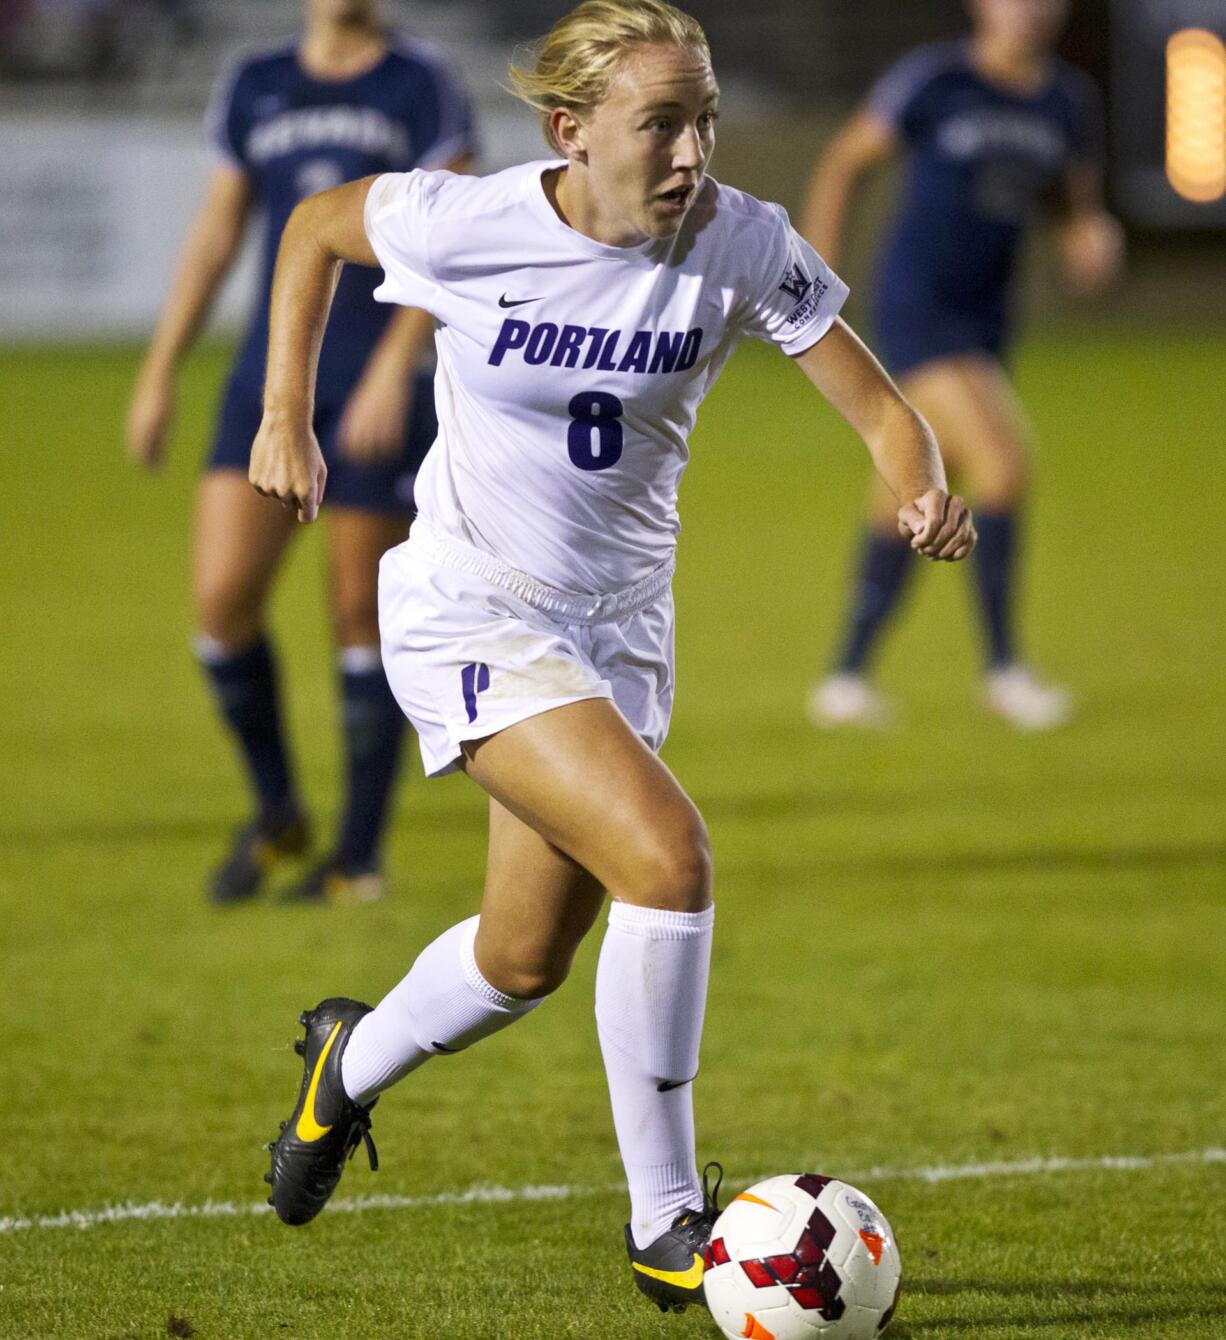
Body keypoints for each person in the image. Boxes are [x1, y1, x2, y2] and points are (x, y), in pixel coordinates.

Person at [253, 0, 976, 1313]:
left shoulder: (737, 241)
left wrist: (919, 484)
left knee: (521, 959)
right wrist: (284, 415)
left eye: (703, 117)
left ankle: (342, 1069)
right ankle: (666, 1229)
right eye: (661, 123)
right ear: (569, 132)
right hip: (469, 609)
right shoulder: (466, 222)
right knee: (669, 856)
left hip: (616, 639)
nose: (693, 148)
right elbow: (311, 229)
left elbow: (878, 406)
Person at [124, 0, 475, 903]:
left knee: (361, 612)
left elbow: (453, 242)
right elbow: (217, 235)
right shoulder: (257, 82)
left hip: (374, 383)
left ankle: (356, 859)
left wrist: (398, 366)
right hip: (268, 382)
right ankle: (278, 810)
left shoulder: (421, 83)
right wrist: (160, 370)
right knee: (222, 604)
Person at [802, 0, 1122, 731]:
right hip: (918, 310)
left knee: (907, 494)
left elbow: (1078, 207)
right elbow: (846, 161)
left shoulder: (1068, 101)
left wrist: (1090, 240)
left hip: (986, 319)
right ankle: (1005, 670)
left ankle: (846, 679)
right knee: (1003, 466)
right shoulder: (935, 79)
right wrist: (815, 276)